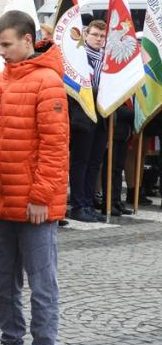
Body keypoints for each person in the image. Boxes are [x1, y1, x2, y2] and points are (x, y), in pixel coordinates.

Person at [0, 10, 67, 345]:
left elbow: (55, 146)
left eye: (7, 44)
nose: (1, 50)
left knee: (41, 285)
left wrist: (42, 195)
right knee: (4, 283)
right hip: (4, 201)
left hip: (34, 206)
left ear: (28, 40)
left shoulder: (48, 82)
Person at [68, 19, 107, 222]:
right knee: (80, 161)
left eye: (102, 36)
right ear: (86, 34)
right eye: (95, 35)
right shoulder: (80, 57)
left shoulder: (106, 59)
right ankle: (78, 204)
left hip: (102, 116)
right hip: (83, 115)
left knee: (95, 162)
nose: (99, 39)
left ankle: (89, 202)